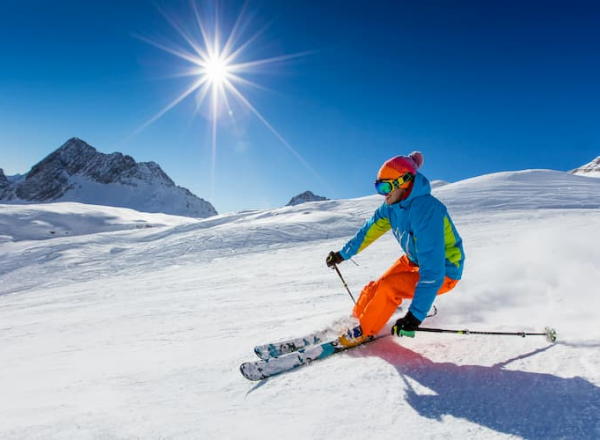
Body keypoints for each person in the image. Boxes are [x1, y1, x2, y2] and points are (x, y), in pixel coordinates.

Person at [326, 151, 464, 346]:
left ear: (404, 182)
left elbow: (433, 271)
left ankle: (364, 331)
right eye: (378, 187)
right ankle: (357, 319)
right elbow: (368, 232)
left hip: (445, 270)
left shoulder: (427, 210)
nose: (382, 193)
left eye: (385, 187)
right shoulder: (391, 207)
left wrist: (415, 316)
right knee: (377, 285)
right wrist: (342, 254)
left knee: (389, 288)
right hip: (414, 260)